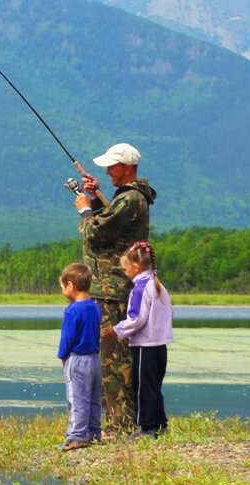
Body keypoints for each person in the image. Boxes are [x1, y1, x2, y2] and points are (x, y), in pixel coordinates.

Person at [72, 142, 157, 434]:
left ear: (128, 167)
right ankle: (124, 424)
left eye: (112, 166)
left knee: (113, 362)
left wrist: (84, 210)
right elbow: (112, 222)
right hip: (115, 289)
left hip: (111, 290)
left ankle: (119, 427)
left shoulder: (131, 198)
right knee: (117, 359)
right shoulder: (129, 198)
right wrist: (96, 197)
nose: (108, 171)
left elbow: (97, 233)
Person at [109, 241, 173, 438]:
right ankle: (160, 423)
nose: (124, 271)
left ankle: (145, 427)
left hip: (145, 346)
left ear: (135, 267)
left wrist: (117, 330)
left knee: (142, 387)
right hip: (160, 345)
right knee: (154, 386)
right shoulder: (158, 286)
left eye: (125, 267)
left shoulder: (140, 288)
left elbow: (136, 319)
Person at [56, 263, 102, 451]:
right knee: (93, 398)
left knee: (77, 399)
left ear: (70, 285)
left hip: (78, 359)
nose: (61, 290)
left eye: (61, 286)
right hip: (95, 360)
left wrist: (62, 357)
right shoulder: (94, 306)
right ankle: (93, 432)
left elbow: (67, 338)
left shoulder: (72, 310)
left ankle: (76, 437)